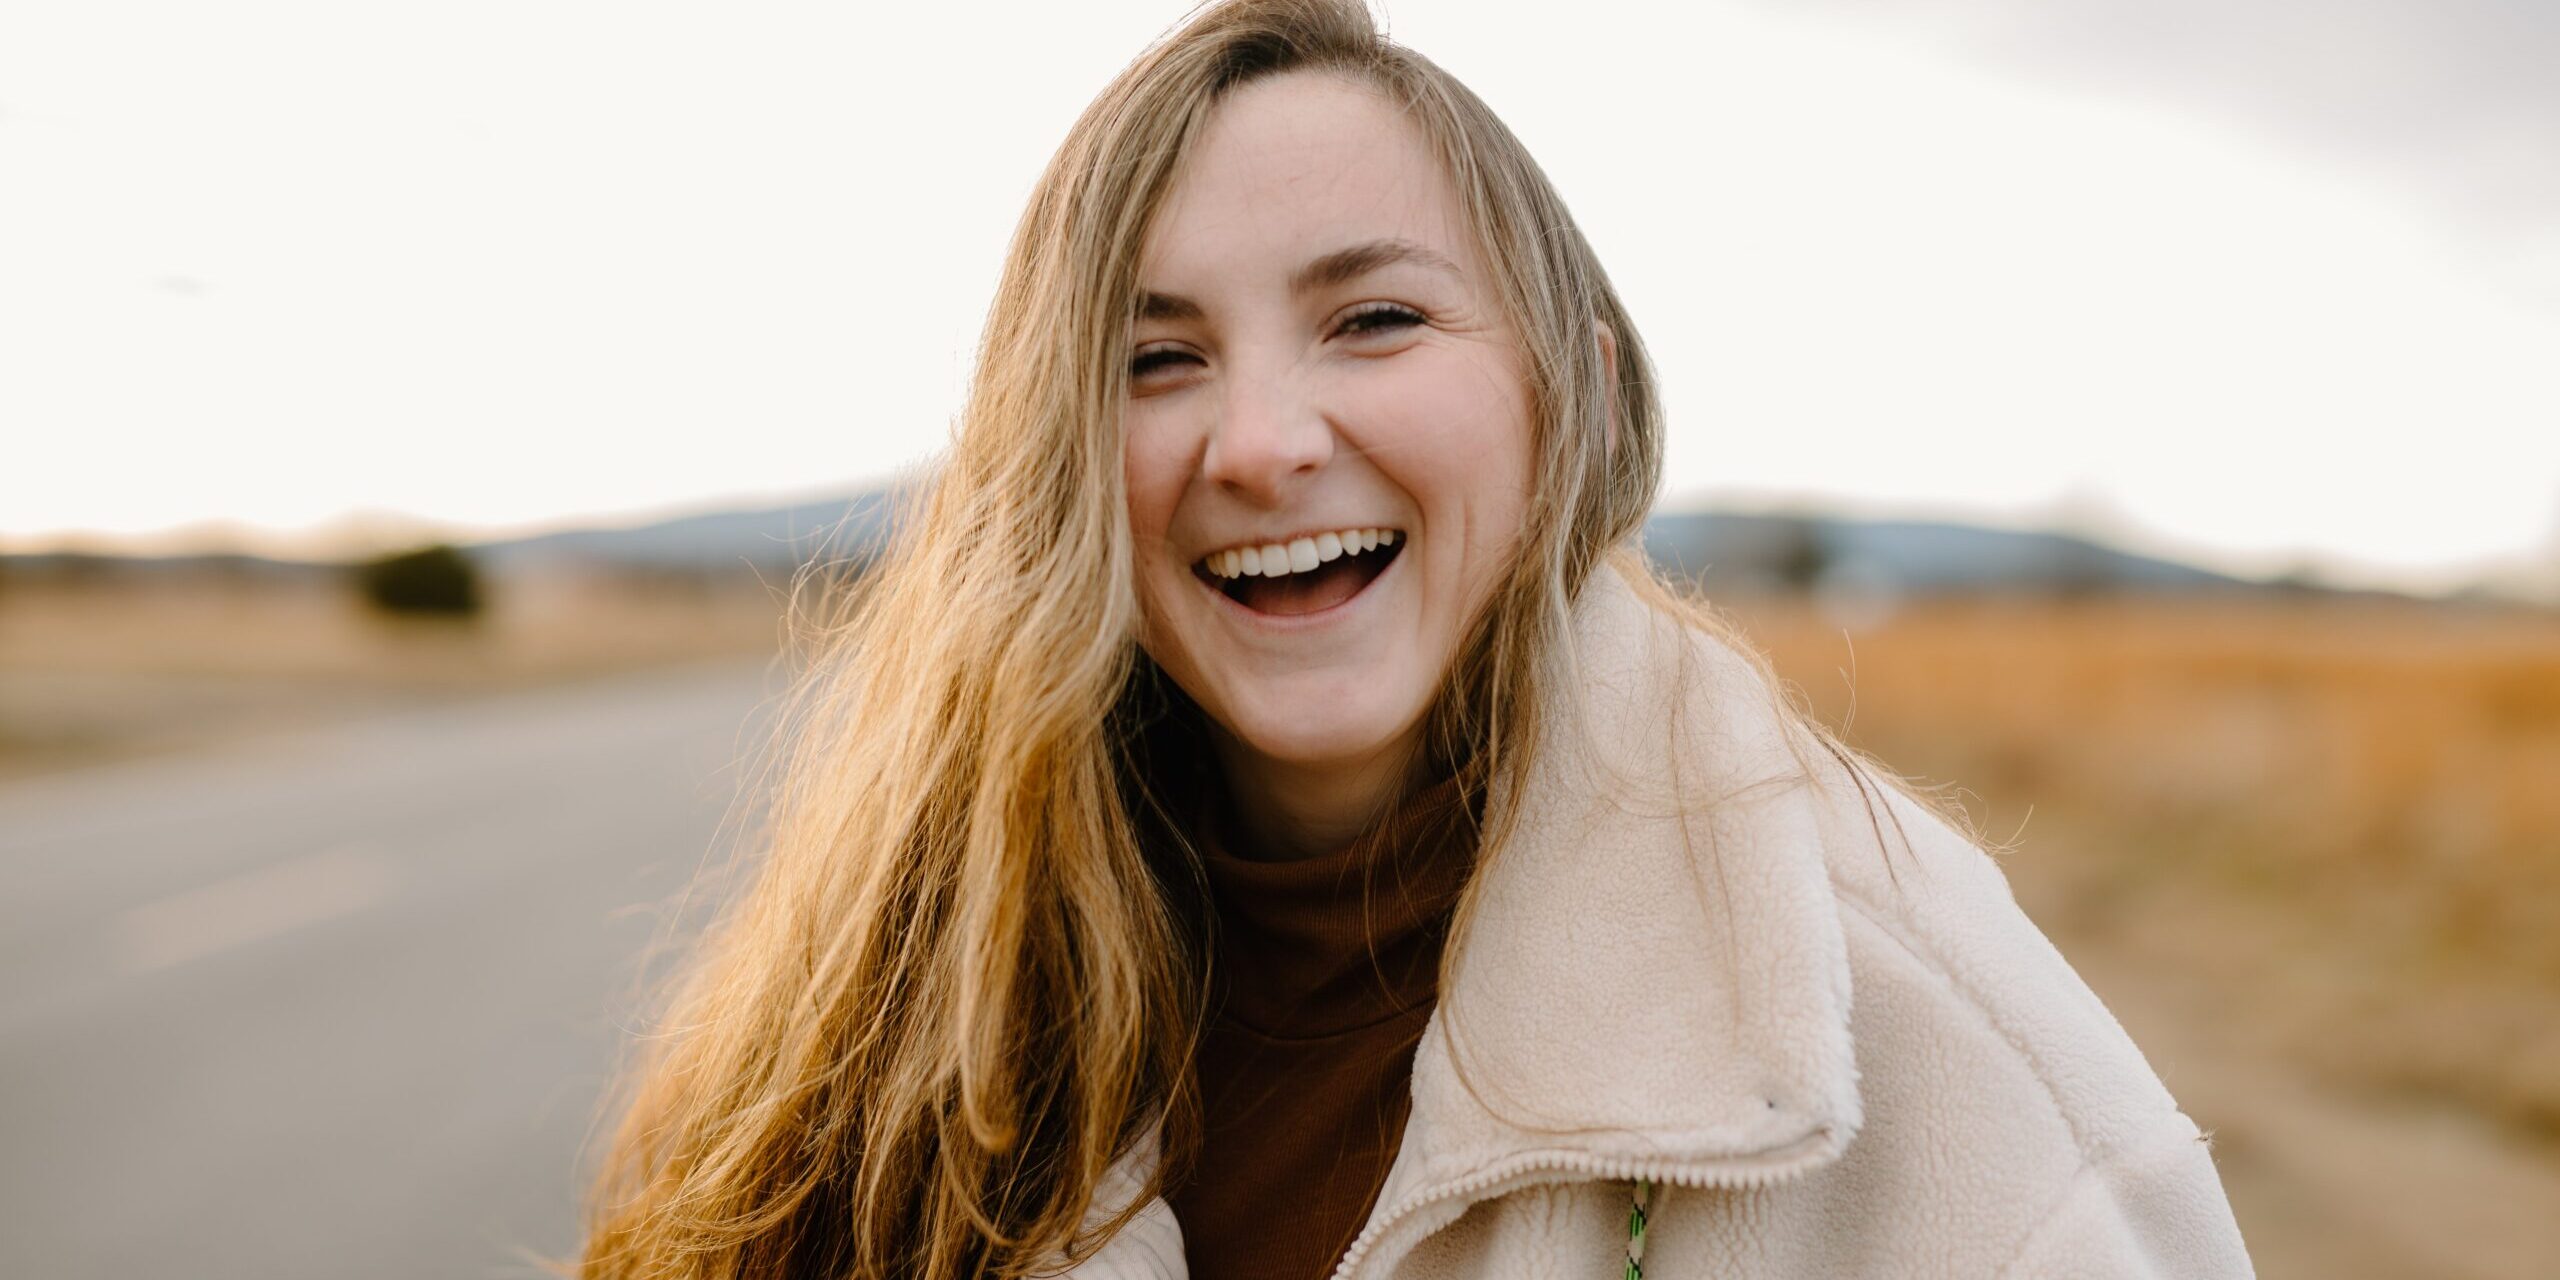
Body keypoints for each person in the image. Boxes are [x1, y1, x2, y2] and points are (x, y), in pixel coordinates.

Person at [577, 1, 2256, 1277]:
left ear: (1578, 396)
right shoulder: (907, 991)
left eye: (1374, 319)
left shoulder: (1939, 1067)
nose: (1259, 444)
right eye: (1155, 359)